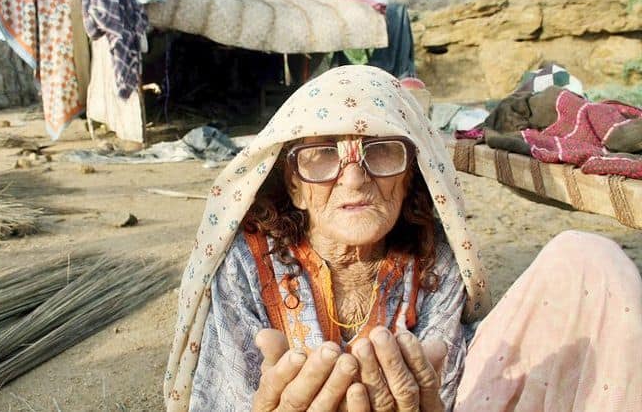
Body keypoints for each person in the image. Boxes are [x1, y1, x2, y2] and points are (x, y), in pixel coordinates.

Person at [164, 65, 642, 411]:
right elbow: (229, 396)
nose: (354, 180)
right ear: (294, 186)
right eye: (322, 156)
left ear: (412, 174)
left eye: (381, 152)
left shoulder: (432, 256)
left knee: (586, 258)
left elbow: (444, 388)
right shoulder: (248, 262)